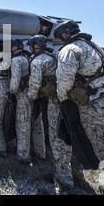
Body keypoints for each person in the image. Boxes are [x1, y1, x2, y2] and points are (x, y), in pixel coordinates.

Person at [54, 21, 104, 195]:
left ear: (64, 35)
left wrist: (63, 99)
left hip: (98, 103)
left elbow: (64, 81)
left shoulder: (70, 50)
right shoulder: (94, 46)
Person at [27, 35, 74, 192]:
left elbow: (34, 84)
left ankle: (64, 180)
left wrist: (31, 97)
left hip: (52, 102)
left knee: (56, 139)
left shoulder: (38, 61)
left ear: (35, 46)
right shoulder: (53, 57)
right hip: (66, 101)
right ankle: (72, 174)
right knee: (66, 137)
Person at [7, 39, 32, 163]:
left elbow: (15, 81)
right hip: (31, 93)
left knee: (22, 125)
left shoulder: (16, 60)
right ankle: (37, 152)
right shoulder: (28, 57)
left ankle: (23, 156)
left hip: (22, 95)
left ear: (14, 48)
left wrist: (11, 92)